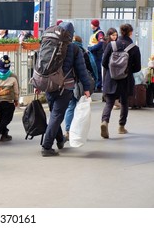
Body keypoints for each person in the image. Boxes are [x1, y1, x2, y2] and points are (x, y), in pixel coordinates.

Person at [35, 22, 91, 157]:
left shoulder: (47, 44)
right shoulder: (74, 49)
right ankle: (46, 147)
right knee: (56, 115)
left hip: (48, 85)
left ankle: (60, 140)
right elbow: (82, 70)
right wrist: (87, 88)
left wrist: (38, 84)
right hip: (65, 87)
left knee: (55, 115)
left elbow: (39, 64)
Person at [100, 23, 141, 139]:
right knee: (124, 103)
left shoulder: (111, 45)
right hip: (126, 80)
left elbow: (104, 63)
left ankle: (104, 121)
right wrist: (126, 69)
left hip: (111, 78)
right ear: (130, 33)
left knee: (109, 103)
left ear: (120, 32)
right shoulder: (134, 48)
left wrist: (112, 71)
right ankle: (121, 127)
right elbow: (137, 67)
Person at [64, 35, 97, 140]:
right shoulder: (83, 52)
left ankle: (68, 131)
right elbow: (91, 68)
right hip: (82, 83)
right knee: (82, 108)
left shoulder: (66, 50)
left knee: (71, 106)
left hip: (69, 83)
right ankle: (80, 132)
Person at [88, 19, 105, 92]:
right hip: (93, 53)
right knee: (94, 69)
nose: (90, 25)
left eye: (91, 24)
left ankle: (98, 86)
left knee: (97, 70)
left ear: (94, 25)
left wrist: (91, 48)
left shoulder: (99, 33)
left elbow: (101, 43)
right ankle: (96, 85)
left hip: (96, 54)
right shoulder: (95, 33)